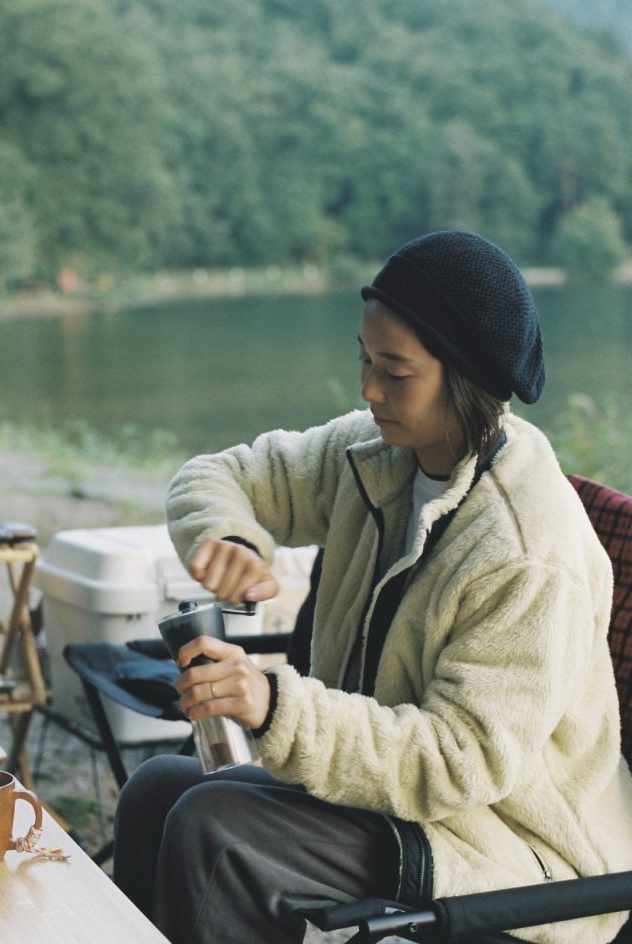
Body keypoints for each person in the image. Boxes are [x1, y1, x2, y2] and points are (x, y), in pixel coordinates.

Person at [112, 231, 632, 944]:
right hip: (389, 794)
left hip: (512, 849)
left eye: (395, 371)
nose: (368, 389)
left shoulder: (525, 552)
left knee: (219, 830)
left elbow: (460, 761)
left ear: (467, 375)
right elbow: (217, 475)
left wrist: (274, 706)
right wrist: (230, 535)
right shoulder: (379, 454)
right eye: (364, 358)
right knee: (155, 793)